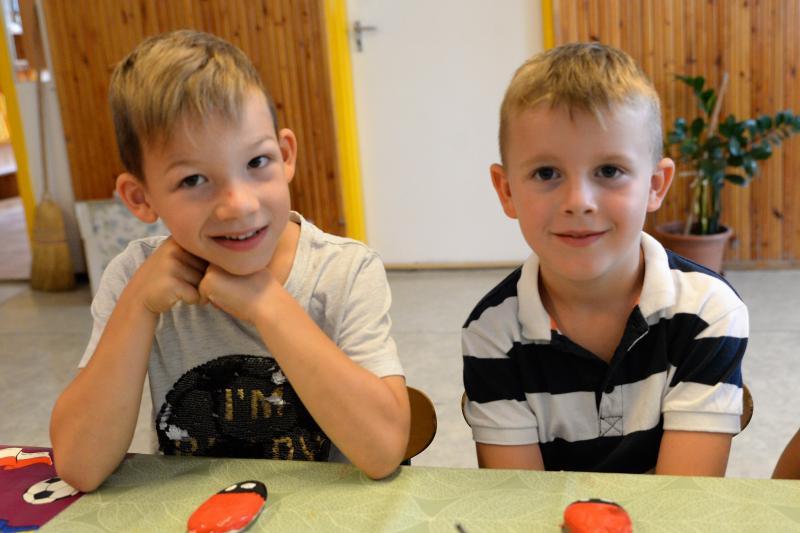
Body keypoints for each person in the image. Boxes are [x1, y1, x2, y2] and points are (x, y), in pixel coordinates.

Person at [50, 30, 410, 492]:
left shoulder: (345, 271)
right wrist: (137, 305)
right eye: (194, 179)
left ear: (285, 155)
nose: (239, 205)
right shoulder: (133, 277)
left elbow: (383, 451)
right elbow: (80, 466)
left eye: (257, 162)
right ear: (140, 198)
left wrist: (268, 305)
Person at [462, 43, 748, 475]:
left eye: (609, 171)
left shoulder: (708, 312)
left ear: (655, 185)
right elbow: (518, 502)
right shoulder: (492, 333)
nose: (579, 201)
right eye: (546, 173)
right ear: (506, 191)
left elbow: (685, 500)